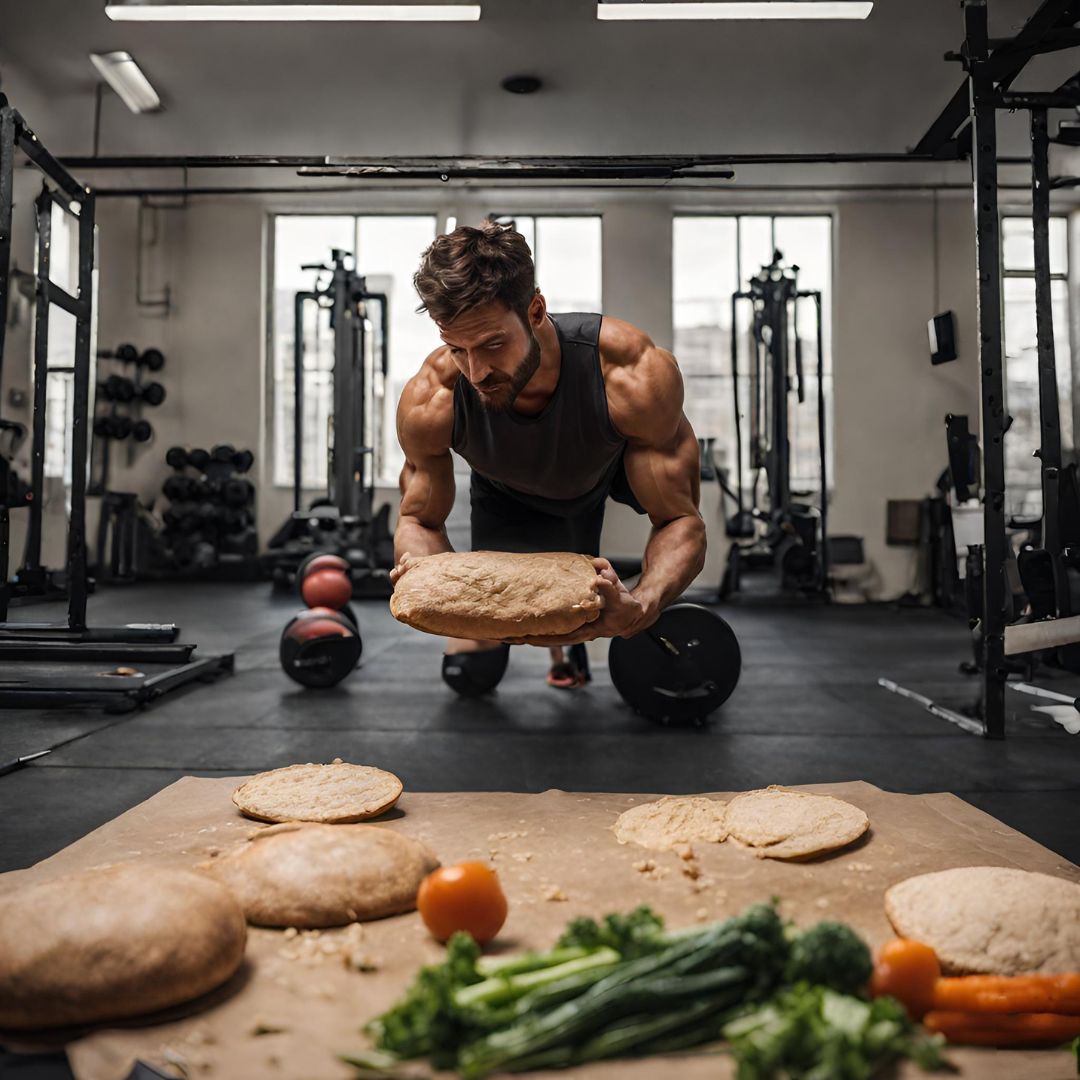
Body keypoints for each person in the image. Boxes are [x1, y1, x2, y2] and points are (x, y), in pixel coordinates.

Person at [391, 220, 705, 697]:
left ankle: (570, 647)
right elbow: (417, 520)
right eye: (457, 349)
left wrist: (642, 603)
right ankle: (541, 640)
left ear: (536, 309)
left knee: (593, 617)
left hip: (599, 471)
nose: (476, 372)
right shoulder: (431, 398)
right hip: (503, 488)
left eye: (493, 344)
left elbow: (681, 519)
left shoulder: (631, 376)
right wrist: (430, 582)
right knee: (473, 672)